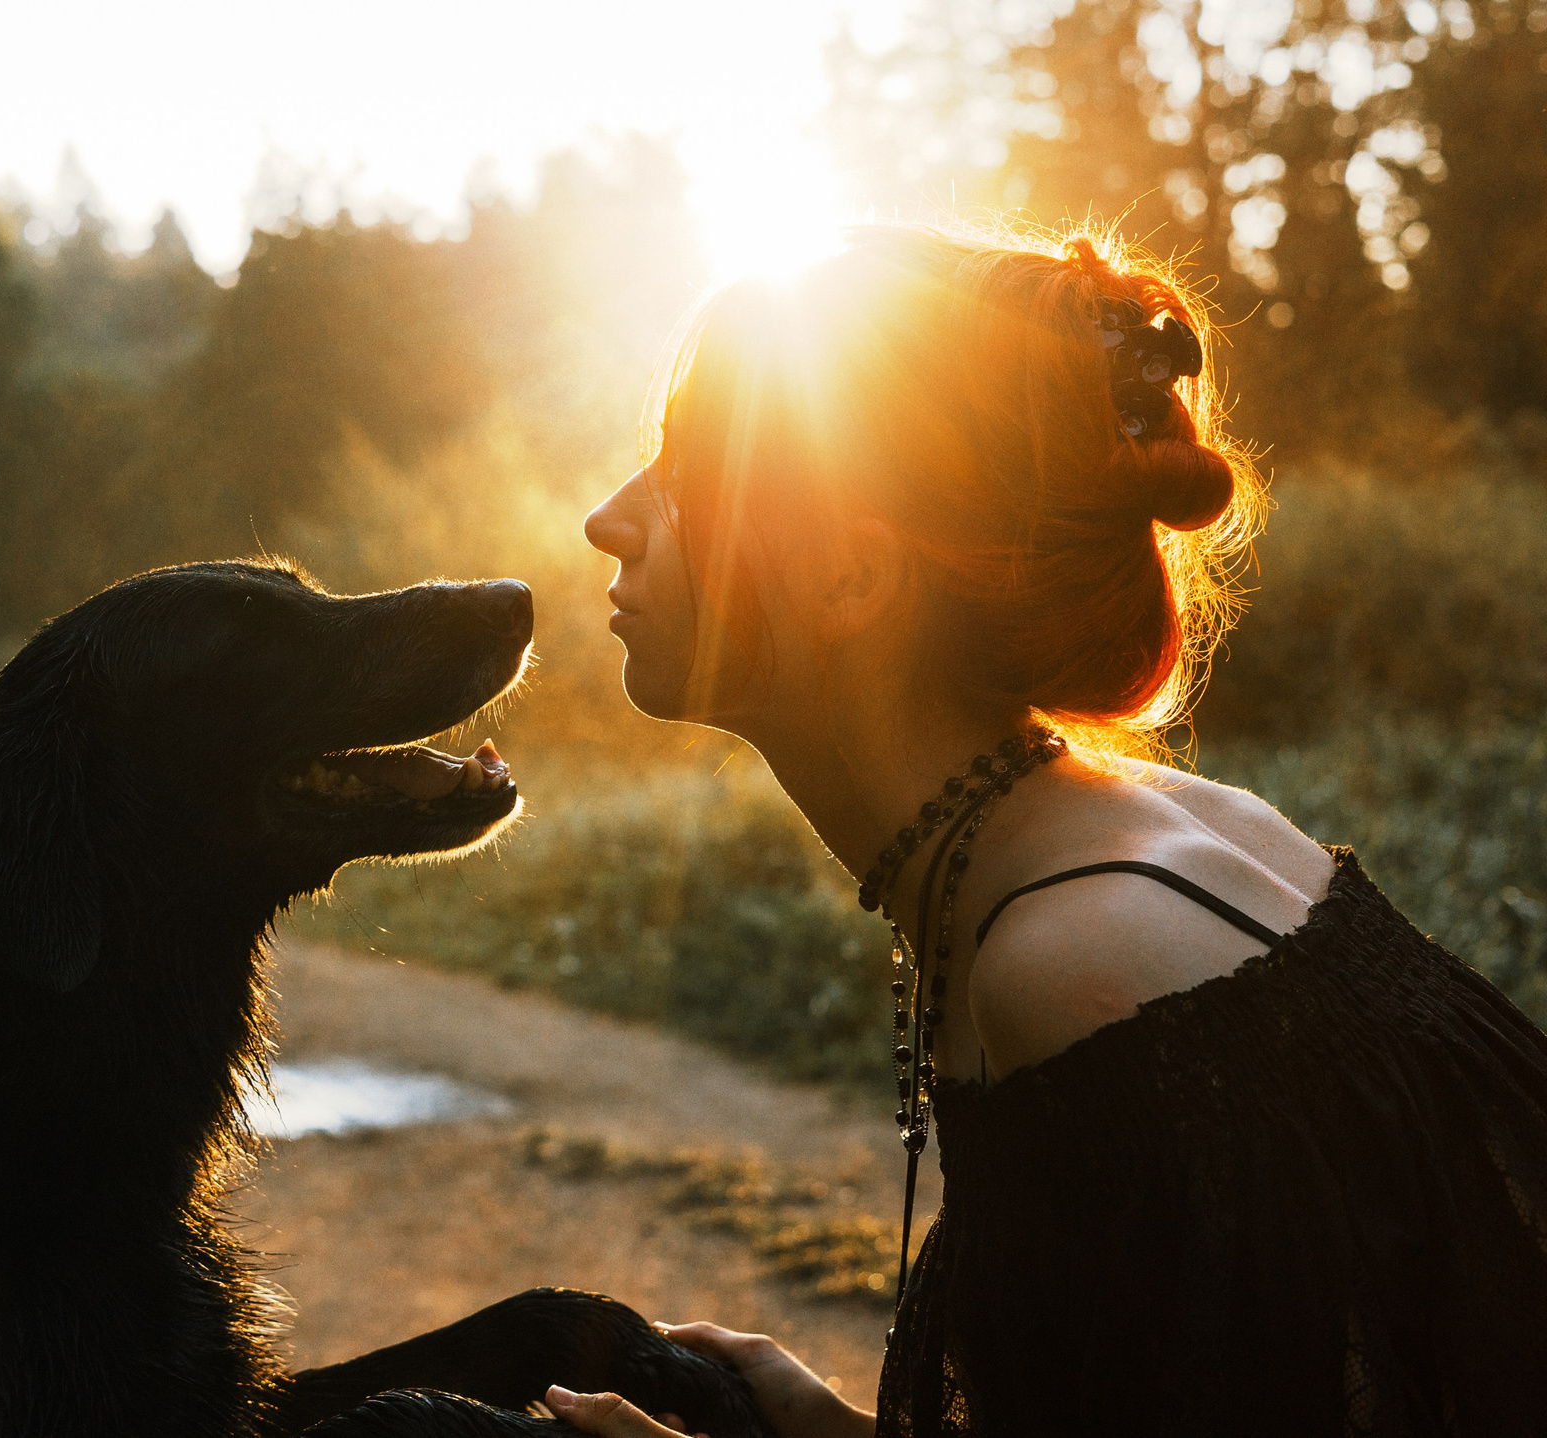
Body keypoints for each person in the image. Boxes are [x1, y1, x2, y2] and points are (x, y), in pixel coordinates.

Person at [547, 226, 1547, 1437]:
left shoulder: (1077, 965)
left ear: (853, 581)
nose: (609, 519)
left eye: (685, 471)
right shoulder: (1175, 842)